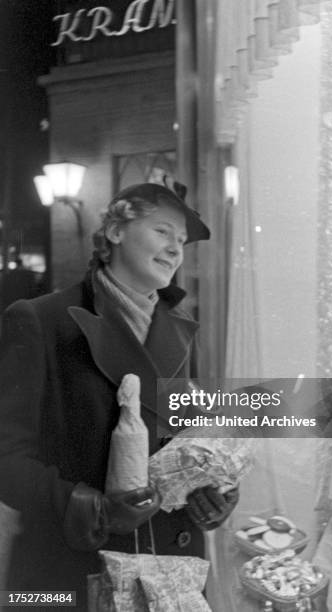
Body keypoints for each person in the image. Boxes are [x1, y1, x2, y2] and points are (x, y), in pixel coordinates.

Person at [0, 181, 239, 609]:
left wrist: (213, 492)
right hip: (65, 575)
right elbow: (7, 459)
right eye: (163, 232)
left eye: (181, 241)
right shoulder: (41, 321)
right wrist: (93, 510)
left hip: (171, 569)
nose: (175, 250)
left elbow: (195, 441)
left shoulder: (185, 332)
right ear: (115, 231)